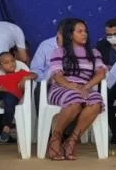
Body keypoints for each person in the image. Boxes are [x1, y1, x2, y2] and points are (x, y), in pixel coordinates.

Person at [46, 19, 107, 160]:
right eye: (79, 31)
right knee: (75, 100)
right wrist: (72, 86)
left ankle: (71, 141)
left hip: (85, 88)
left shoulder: (94, 52)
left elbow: (101, 73)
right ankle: (55, 139)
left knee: (96, 101)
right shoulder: (59, 51)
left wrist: (85, 87)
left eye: (85, 31)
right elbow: (57, 75)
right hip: (62, 88)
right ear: (70, 34)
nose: (84, 34)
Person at [0, 52, 37, 143]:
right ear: (0, 67)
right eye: (6, 62)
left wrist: (25, 78)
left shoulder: (21, 73)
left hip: (12, 99)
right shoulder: (0, 78)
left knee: (9, 99)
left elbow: (35, 75)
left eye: (12, 61)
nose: (11, 64)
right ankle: (2, 128)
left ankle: (6, 128)